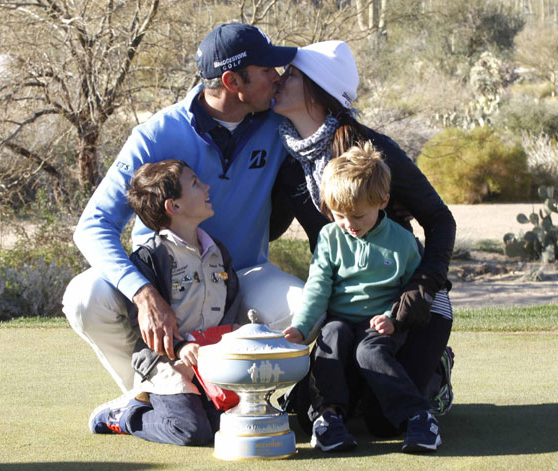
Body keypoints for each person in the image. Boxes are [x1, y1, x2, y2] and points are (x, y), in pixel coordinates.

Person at [62, 22, 304, 427]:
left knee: (302, 307)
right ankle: (143, 398)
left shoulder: (279, 123)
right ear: (231, 80)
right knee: (85, 296)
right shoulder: (157, 133)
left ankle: (234, 401)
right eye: (266, 70)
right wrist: (142, 293)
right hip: (163, 289)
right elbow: (93, 225)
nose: (276, 78)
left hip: (242, 279)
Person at [273, 40, 456, 435]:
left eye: (291, 75)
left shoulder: (372, 156)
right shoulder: (288, 162)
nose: (278, 80)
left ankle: (435, 370)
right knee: (311, 413)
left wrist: (422, 287)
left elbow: (440, 220)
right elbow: (270, 230)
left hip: (410, 301)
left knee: (383, 423)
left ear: (316, 89)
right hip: (348, 309)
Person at [283, 144, 441, 453]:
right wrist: (301, 328)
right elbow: (318, 287)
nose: (348, 224)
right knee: (330, 339)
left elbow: (412, 292)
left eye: (357, 216)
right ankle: (328, 419)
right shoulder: (330, 237)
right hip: (339, 319)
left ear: (382, 202)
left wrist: (394, 318)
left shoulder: (404, 242)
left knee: (370, 351)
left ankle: (419, 417)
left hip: (381, 323)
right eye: (339, 215)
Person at [89, 160, 238, 445]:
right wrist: (181, 348)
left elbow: (230, 303)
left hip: (208, 360)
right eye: (195, 183)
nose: (206, 187)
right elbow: (146, 324)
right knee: (192, 430)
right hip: (165, 360)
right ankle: (125, 415)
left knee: (228, 425)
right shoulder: (150, 258)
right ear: (174, 206)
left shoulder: (219, 251)